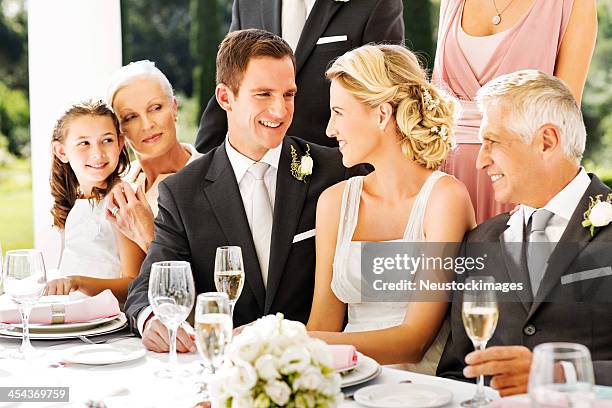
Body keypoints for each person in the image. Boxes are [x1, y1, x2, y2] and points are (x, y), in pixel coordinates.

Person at [124, 29, 352, 353]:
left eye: (288, 95)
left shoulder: (334, 170)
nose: (280, 111)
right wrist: (151, 319)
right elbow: (145, 289)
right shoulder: (182, 192)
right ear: (225, 97)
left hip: (317, 364)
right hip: (227, 374)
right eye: (263, 95)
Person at [437, 70, 612, 393]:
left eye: (492, 142)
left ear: (547, 141)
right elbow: (457, 372)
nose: (480, 161)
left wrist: (559, 374)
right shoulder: (480, 241)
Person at [306, 44, 476, 375]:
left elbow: (414, 342)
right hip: (346, 382)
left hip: (420, 392)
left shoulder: (444, 200)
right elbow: (323, 322)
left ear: (382, 114)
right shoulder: (334, 203)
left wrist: (295, 342)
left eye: (339, 113)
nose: (329, 129)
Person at [433, 0, 597, 223]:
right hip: (447, 175)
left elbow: (564, 118)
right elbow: (436, 104)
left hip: (520, 179)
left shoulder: (573, 4)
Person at [194, 0, 404, 152]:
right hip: (255, 170)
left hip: (333, 172)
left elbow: (384, 97)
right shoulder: (247, 3)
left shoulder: (376, 4)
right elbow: (232, 83)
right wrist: (200, 161)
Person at [45, 100, 141, 302]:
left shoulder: (121, 199)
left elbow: (134, 283)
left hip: (108, 321)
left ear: (120, 143)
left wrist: (77, 282)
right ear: (61, 152)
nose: (97, 153)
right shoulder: (76, 200)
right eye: (84, 143)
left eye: (107, 140)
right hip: (75, 314)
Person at [105, 60, 203, 254]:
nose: (147, 125)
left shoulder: (215, 180)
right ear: (119, 130)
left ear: (174, 108)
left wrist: (148, 236)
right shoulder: (117, 186)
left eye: (155, 108)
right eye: (130, 117)